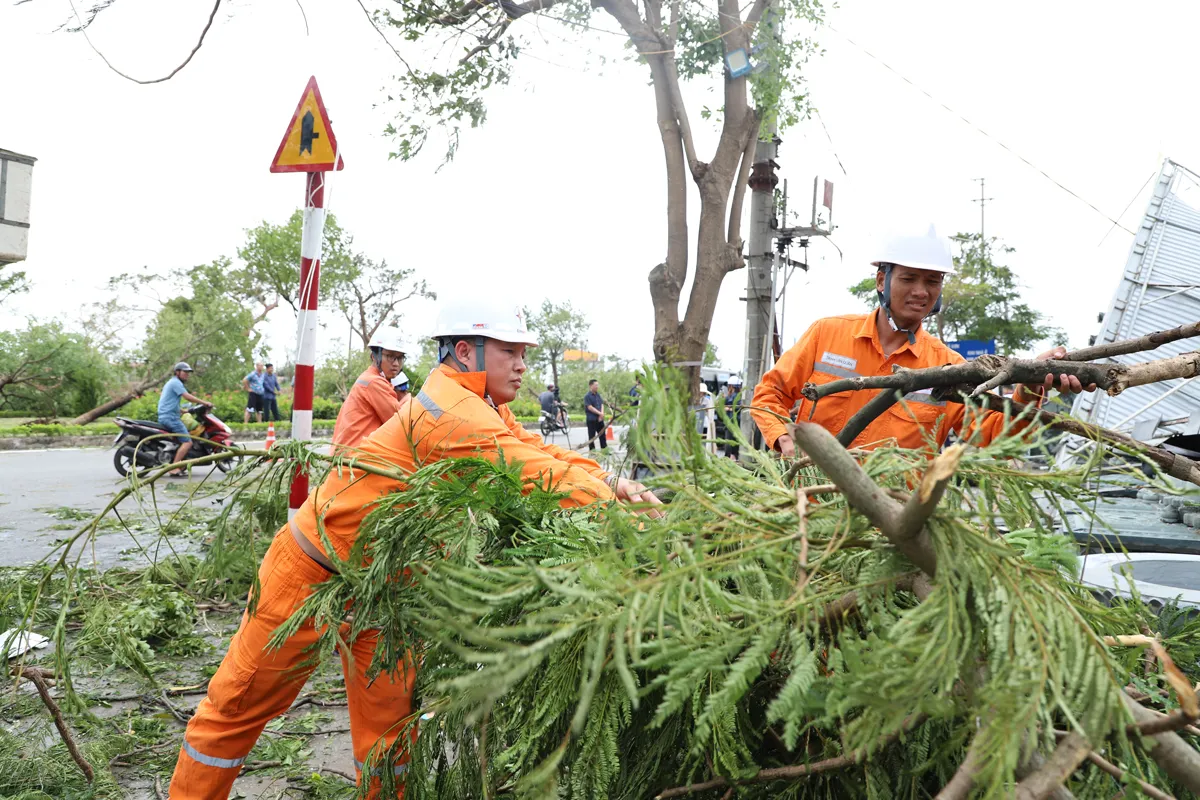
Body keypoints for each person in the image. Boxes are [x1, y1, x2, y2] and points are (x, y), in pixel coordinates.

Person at [169, 301, 661, 799]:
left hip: (388, 585)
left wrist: (612, 480)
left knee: (389, 735)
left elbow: (544, 451)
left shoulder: (487, 405)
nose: (521, 364)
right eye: (510, 351)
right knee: (234, 712)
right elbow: (535, 475)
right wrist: (624, 512)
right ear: (466, 351)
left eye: (523, 352)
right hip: (313, 570)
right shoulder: (451, 412)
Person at [751, 226, 1091, 456]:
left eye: (932, 281)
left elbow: (994, 434)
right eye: (909, 278)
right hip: (813, 513)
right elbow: (769, 394)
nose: (920, 291)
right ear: (882, 280)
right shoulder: (827, 334)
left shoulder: (951, 369)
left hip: (893, 530)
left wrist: (1031, 384)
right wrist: (782, 437)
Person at [331, 327, 408, 451]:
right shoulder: (374, 382)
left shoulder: (369, 379)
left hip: (349, 459)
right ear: (374, 356)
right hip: (357, 462)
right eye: (390, 356)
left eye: (400, 358)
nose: (396, 363)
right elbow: (402, 426)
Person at [157, 362, 212, 478]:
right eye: (185, 372)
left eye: (188, 373)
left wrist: (183, 411)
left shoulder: (171, 383)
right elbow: (187, 396)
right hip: (170, 418)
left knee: (182, 440)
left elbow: (170, 401)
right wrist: (204, 402)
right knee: (187, 442)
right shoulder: (176, 383)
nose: (187, 375)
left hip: (167, 415)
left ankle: (179, 463)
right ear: (177, 372)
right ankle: (173, 467)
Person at [718, 376, 743, 459]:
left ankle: (729, 456)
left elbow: (738, 406)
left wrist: (728, 408)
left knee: (729, 440)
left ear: (731, 386)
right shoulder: (734, 396)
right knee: (734, 439)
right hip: (734, 421)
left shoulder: (734, 396)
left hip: (732, 420)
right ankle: (733, 456)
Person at [584, 378, 606, 450]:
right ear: (591, 386)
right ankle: (592, 451)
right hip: (592, 419)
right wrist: (599, 413)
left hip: (600, 419)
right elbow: (590, 407)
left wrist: (602, 413)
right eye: (595, 385)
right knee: (592, 436)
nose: (597, 387)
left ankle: (604, 449)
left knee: (602, 434)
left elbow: (601, 404)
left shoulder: (598, 395)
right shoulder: (587, 396)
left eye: (597, 385)